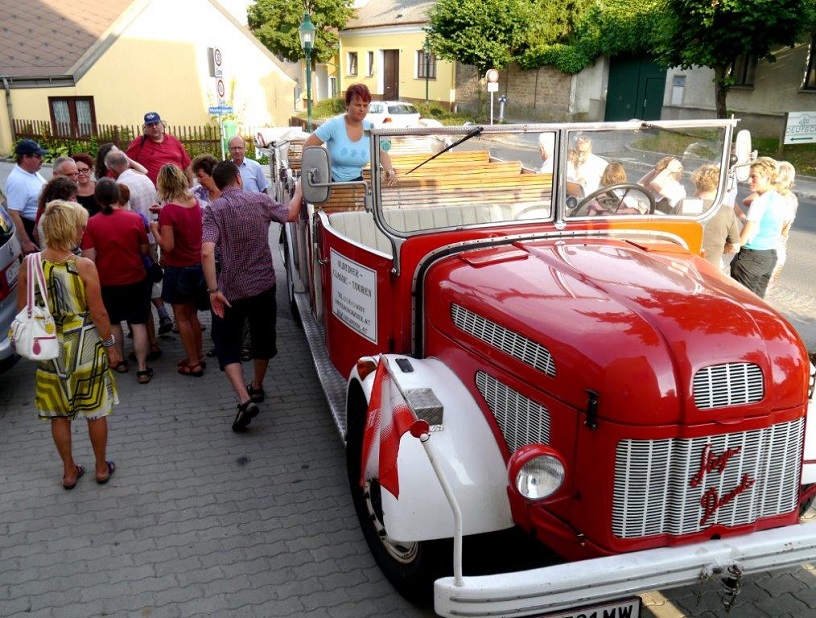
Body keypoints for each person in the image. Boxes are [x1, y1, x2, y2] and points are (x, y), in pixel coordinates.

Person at [17, 200, 119, 488]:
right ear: (70, 229)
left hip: (49, 348)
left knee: (58, 413)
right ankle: (101, 467)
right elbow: (99, 313)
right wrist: (110, 345)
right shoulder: (83, 266)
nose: (83, 230)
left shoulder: (31, 263)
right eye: (81, 226)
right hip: (85, 344)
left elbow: (23, 310)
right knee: (95, 409)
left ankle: (69, 471)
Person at [202, 161, 303, 432]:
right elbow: (290, 215)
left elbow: (207, 252)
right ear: (238, 178)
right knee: (262, 339)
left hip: (230, 291)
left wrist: (213, 291)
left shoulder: (214, 210)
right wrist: (300, 189)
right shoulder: (259, 200)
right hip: (263, 286)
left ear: (217, 183)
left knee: (226, 345)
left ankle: (244, 399)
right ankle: (257, 386)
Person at [80, 179, 154, 384]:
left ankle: (120, 360)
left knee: (114, 324)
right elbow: (144, 249)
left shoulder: (91, 223)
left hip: (107, 282)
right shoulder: (134, 219)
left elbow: (88, 258)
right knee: (138, 324)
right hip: (135, 278)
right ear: (116, 196)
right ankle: (142, 368)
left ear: (98, 198)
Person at [105, 149, 173, 337]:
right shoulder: (144, 178)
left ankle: (144, 325)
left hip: (137, 240)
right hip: (153, 233)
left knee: (142, 282)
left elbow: (123, 215)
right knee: (153, 274)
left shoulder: (121, 185)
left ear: (110, 169)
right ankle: (162, 313)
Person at [150, 164, 206, 377]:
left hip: (179, 268)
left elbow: (168, 246)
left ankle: (193, 362)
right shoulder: (193, 203)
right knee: (192, 315)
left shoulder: (169, 210)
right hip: (197, 264)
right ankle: (198, 354)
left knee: (181, 317)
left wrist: (154, 230)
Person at [303, 83, 397, 185]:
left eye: (365, 105)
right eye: (357, 105)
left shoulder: (370, 127)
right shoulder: (333, 125)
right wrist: (319, 171)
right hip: (330, 183)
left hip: (358, 184)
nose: (362, 109)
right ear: (347, 105)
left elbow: (381, 153)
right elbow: (307, 147)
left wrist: (390, 172)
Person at [730, 157, 785, 298]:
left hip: (750, 258)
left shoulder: (759, 202)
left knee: (742, 303)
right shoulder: (779, 199)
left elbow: (743, 240)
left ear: (767, 177)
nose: (750, 181)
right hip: (769, 256)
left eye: (754, 177)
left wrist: (725, 246)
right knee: (757, 305)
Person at [693, 164, 740, 269]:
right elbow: (734, 247)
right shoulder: (726, 211)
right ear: (720, 185)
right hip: (711, 267)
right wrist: (718, 249)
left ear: (696, 181)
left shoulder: (682, 204)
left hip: (684, 263)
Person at [5, 139, 48, 254]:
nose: (41, 160)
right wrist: (26, 241)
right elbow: (13, 213)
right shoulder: (17, 181)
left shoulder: (32, 172)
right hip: (32, 229)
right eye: (37, 156)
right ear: (25, 157)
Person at [125, 112, 192, 185]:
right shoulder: (139, 142)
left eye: (156, 123)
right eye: (150, 125)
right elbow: (126, 163)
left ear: (162, 125)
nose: (154, 127)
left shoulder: (173, 140)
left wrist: (191, 186)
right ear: (145, 128)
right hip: (154, 191)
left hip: (179, 188)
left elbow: (187, 165)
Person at [768, 161, 798, 292]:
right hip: (778, 250)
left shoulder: (783, 200)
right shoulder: (790, 197)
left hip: (771, 250)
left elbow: (780, 226)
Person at [34, 177, 78, 247]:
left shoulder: (47, 212)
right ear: (62, 198)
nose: (75, 201)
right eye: (73, 198)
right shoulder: (56, 218)